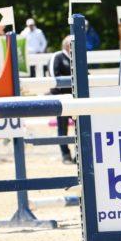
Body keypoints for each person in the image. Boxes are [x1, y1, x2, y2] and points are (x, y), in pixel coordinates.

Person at [48, 35, 75, 164]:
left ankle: (79, 155)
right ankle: (65, 155)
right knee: (62, 128)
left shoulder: (77, 57)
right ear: (66, 45)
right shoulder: (58, 56)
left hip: (75, 99)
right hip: (61, 99)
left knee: (82, 126)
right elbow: (54, 76)